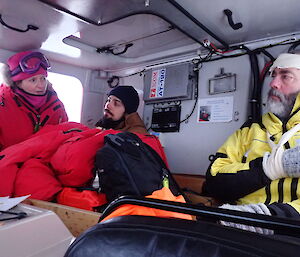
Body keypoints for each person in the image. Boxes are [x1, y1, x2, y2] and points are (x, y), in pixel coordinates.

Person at [203, 53, 300, 234]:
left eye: (286, 76)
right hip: (239, 224)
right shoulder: (249, 130)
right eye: (274, 75)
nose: (273, 84)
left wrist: (270, 217)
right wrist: (270, 168)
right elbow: (214, 181)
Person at [0, 50, 68, 151]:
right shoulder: (3, 107)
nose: (41, 85)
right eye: (33, 80)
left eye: (43, 78)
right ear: (18, 83)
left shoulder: (57, 107)